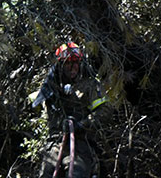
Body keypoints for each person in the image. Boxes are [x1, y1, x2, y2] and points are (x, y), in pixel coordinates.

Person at [32, 42, 108, 178]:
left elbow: (105, 112)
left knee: (77, 174)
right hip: (56, 143)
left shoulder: (90, 86)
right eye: (68, 63)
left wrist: (82, 124)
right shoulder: (50, 86)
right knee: (46, 173)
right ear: (60, 66)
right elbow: (45, 112)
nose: (72, 68)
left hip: (81, 143)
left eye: (75, 63)